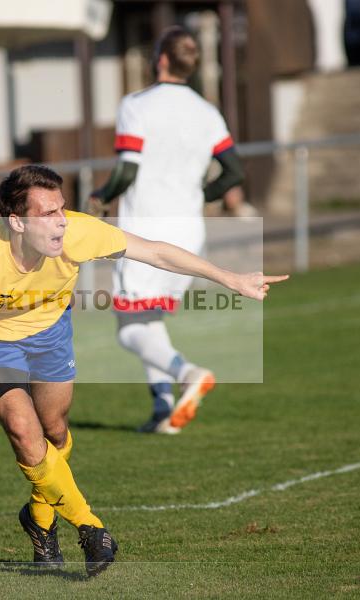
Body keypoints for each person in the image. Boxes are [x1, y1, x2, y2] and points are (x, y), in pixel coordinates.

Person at [0, 165, 287, 576]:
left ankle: (39, 520)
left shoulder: (78, 232)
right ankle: (91, 528)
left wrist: (230, 279)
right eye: (47, 214)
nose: (61, 221)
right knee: (22, 427)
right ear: (17, 222)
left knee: (55, 432)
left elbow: (155, 251)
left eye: (61, 208)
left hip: (49, 331)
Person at [90, 26, 246, 434]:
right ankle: (162, 409)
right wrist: (202, 193)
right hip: (188, 230)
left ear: (160, 59)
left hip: (145, 230)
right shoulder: (207, 111)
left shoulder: (137, 104)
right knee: (148, 319)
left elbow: (126, 168)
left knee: (128, 330)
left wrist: (101, 195)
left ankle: (187, 372)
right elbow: (234, 171)